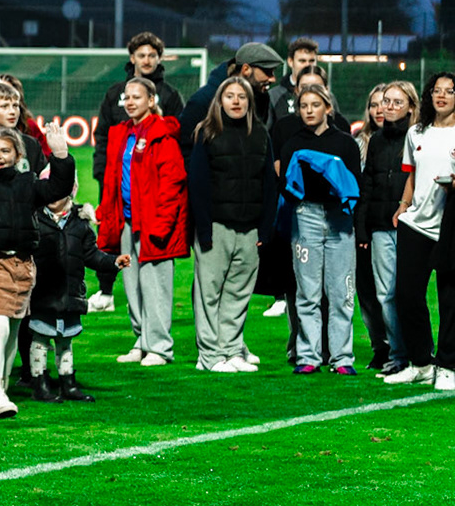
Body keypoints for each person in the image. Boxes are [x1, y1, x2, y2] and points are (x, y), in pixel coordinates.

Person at [0, 125, 74, 417]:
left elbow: (58, 189)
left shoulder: (27, 182)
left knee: (13, 330)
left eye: (5, 151)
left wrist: (61, 155)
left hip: (24, 266)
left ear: (18, 155)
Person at [186, 75, 276, 373]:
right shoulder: (207, 133)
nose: (236, 101)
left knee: (238, 293)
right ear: (219, 101)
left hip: (250, 229)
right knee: (209, 293)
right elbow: (197, 184)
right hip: (216, 228)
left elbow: (269, 185)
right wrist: (203, 229)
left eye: (242, 96)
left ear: (249, 101)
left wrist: (264, 229)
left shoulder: (261, 134)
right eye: (230, 96)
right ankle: (210, 356)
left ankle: (231, 350)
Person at [96, 76, 188, 366]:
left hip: (153, 223)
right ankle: (141, 340)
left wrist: (162, 225)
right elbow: (112, 180)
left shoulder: (162, 133)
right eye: (127, 97)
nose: (131, 102)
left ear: (152, 101)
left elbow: (172, 183)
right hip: (126, 221)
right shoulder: (120, 133)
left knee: (156, 287)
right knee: (132, 285)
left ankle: (159, 347)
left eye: (137, 96)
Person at [278, 84, 363, 374]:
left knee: (341, 293)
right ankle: (309, 357)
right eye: (304, 106)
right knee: (307, 292)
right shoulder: (292, 143)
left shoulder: (345, 143)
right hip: (306, 217)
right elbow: (287, 189)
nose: (309, 110)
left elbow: (356, 187)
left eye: (315, 105)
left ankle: (342, 358)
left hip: (340, 220)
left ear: (328, 108)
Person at [385, 72, 455, 387]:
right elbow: (412, 174)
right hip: (416, 223)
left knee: (449, 299)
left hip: (450, 225)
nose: (442, 96)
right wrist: (403, 205)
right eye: (436, 90)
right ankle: (422, 362)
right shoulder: (416, 132)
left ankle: (449, 366)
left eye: (450, 91)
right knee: (407, 295)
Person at [26, 194, 129, 401]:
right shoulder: (35, 219)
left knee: (65, 340)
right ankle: (40, 383)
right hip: (43, 293)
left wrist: (112, 262)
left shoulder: (80, 223)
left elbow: (91, 254)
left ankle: (68, 383)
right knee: (40, 338)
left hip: (70, 293)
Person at [357, 82, 414, 375]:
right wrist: (363, 227)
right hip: (380, 225)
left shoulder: (419, 137)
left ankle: (419, 353)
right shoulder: (376, 140)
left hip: (410, 225)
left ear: (411, 107)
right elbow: (368, 184)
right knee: (385, 294)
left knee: (408, 292)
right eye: (385, 102)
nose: (388, 107)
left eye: (395, 102)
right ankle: (399, 354)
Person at [92, 32, 183, 184]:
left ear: (159, 59)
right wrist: (101, 171)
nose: (146, 60)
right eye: (141, 56)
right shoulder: (115, 93)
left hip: (153, 177)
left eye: (152, 56)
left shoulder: (170, 95)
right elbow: (102, 134)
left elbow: (178, 136)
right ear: (132, 58)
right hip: (116, 175)